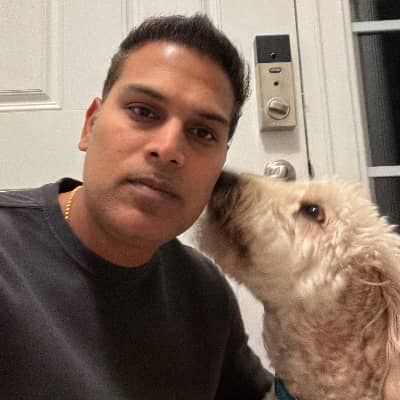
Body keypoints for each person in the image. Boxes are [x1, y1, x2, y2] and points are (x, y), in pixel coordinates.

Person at [0, 14, 273, 399]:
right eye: (143, 111)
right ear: (90, 125)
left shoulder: (202, 290)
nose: (168, 149)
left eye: (202, 133)